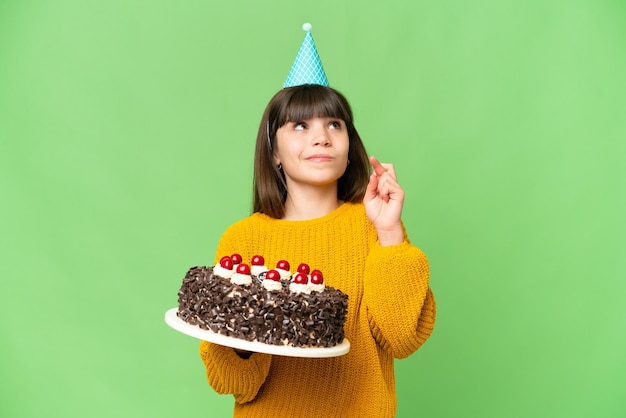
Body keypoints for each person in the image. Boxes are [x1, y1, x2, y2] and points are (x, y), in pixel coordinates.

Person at [198, 83, 436, 417]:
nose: (321, 137)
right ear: (274, 152)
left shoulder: (374, 226)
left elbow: (402, 338)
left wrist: (390, 231)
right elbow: (234, 381)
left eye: (334, 124)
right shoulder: (244, 240)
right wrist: (241, 338)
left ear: (349, 146)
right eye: (300, 125)